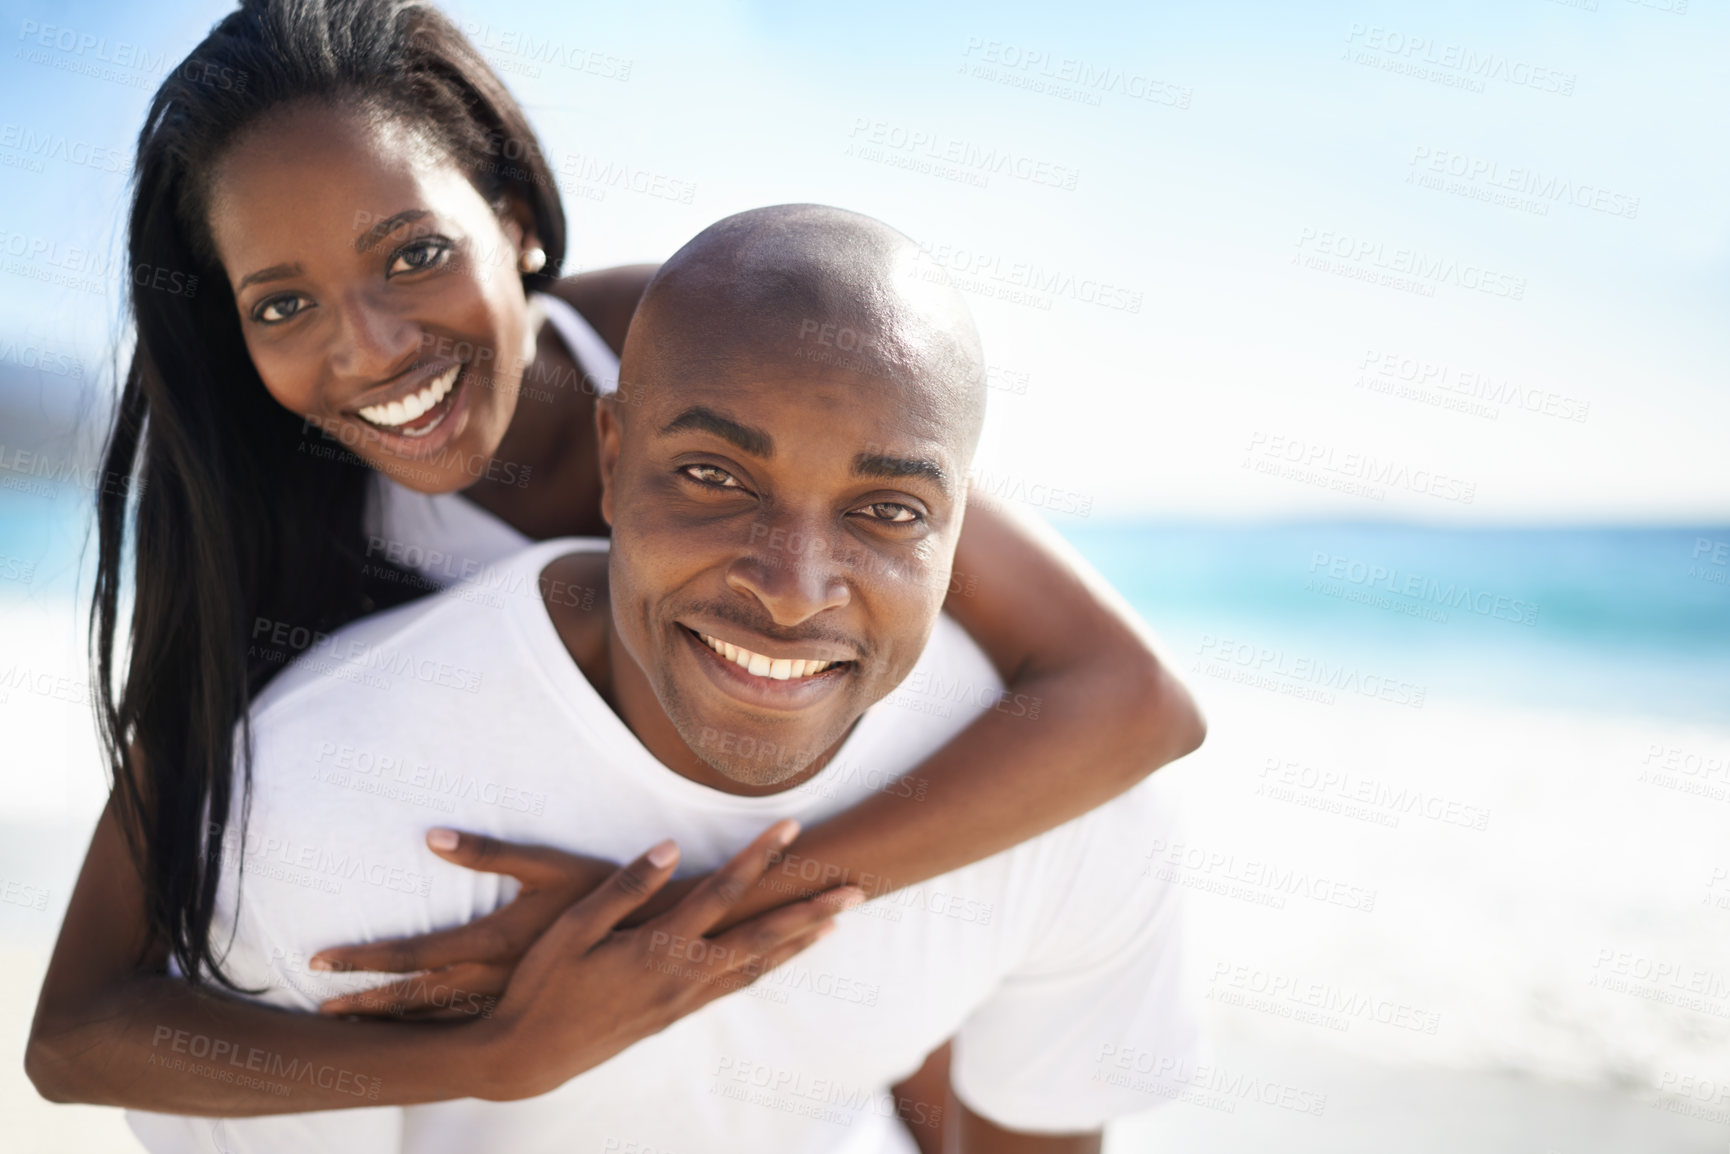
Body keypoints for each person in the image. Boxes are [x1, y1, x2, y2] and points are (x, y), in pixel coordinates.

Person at [25, 0, 1203, 1122]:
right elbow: (78, 1033)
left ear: (515, 218)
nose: (372, 349)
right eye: (282, 306)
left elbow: (1130, 698)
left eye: (414, 253)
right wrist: (492, 1057)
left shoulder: (694, 349)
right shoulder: (279, 545)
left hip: (817, 991)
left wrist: (694, 923)